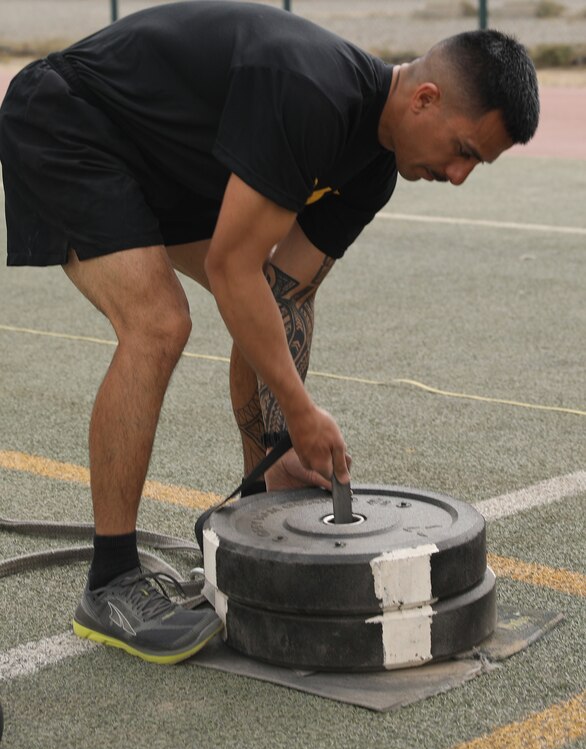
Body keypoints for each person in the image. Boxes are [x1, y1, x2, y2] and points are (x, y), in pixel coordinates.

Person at [0, 1, 539, 665]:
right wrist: (305, 413)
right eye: (463, 152)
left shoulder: (372, 170)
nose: (458, 177)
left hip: (160, 162)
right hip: (68, 118)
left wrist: (279, 447)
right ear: (426, 98)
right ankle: (110, 582)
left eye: (475, 166)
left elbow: (285, 292)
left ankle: (250, 502)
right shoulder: (315, 92)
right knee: (159, 324)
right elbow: (232, 269)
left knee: (257, 296)